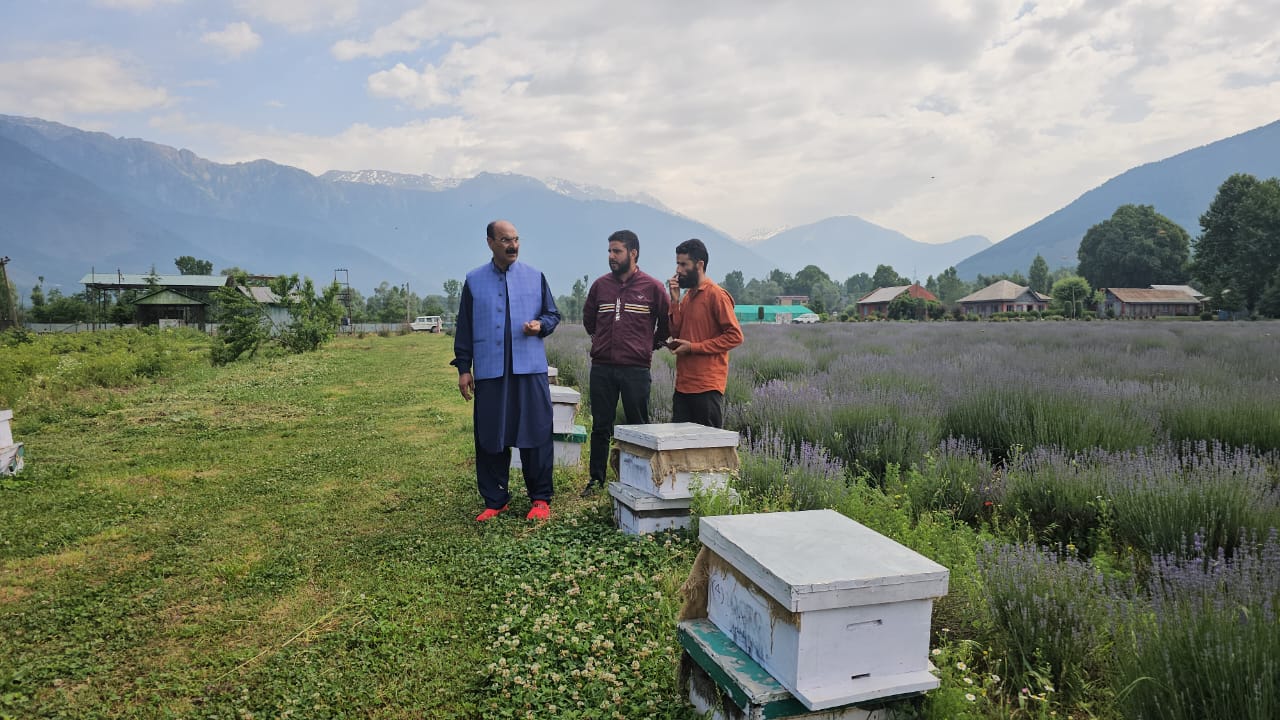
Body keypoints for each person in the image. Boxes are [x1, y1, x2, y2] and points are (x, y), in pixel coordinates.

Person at [452, 220, 561, 521]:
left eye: (516, 239)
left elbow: (552, 314)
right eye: (505, 240)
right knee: (490, 434)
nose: (513, 245)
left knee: (537, 431)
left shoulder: (535, 276)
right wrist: (464, 368)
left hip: (530, 369)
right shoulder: (474, 280)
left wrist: (541, 325)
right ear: (490, 242)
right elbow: (465, 327)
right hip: (490, 370)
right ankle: (495, 499)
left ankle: (540, 498)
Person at [580, 230, 670, 497]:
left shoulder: (653, 287)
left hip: (635, 369)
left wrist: (649, 345)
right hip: (602, 368)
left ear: (633, 253)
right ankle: (596, 479)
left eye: (617, 251)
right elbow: (589, 320)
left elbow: (666, 323)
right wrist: (601, 341)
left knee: (638, 425)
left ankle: (640, 479)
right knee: (600, 425)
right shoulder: (600, 286)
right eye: (609, 251)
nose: (611, 256)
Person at [667, 238, 743, 428]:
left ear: (699, 265)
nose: (678, 270)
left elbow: (735, 336)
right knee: (679, 442)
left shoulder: (716, 295)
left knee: (708, 443)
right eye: (677, 264)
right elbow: (676, 332)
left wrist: (693, 348)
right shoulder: (687, 297)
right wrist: (674, 301)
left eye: (683, 264)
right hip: (683, 385)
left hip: (707, 387)